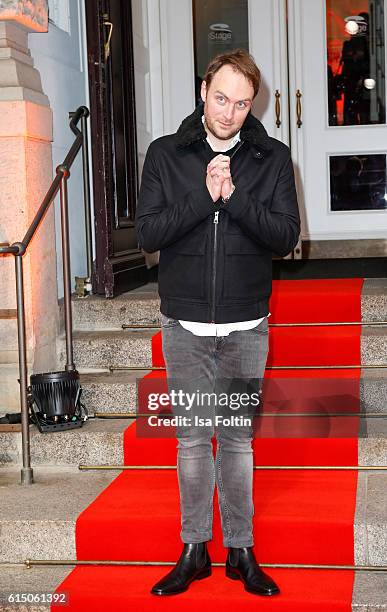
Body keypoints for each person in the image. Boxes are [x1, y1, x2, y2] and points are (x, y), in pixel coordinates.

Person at [135, 48, 300, 597]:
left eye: (242, 103)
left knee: (235, 444)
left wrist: (233, 198)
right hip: (184, 326)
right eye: (222, 98)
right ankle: (193, 549)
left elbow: (284, 237)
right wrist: (203, 194)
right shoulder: (165, 155)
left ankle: (241, 550)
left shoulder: (271, 158)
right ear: (204, 90)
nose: (229, 112)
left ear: (253, 106)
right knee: (189, 443)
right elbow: (149, 235)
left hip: (244, 326)